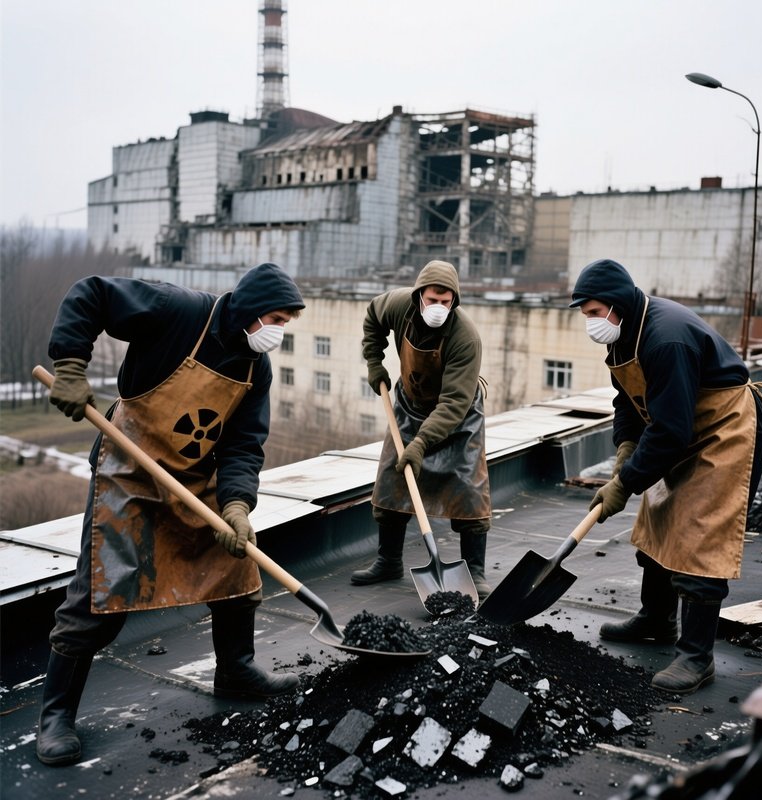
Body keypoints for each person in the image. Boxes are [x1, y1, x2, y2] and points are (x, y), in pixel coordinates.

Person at [36, 263, 305, 766]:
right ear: (248, 310)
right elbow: (91, 294)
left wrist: (237, 505)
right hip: (130, 471)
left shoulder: (255, 367)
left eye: (287, 323)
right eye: (276, 318)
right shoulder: (179, 312)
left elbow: (244, 445)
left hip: (193, 478)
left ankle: (236, 670)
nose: (278, 332)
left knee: (237, 566)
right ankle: (55, 716)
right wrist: (71, 365)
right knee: (101, 592)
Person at [570, 258, 762, 695]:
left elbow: (670, 431)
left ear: (615, 304)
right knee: (659, 515)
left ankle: (697, 658)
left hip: (726, 428)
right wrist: (625, 451)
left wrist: (624, 483)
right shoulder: (624, 336)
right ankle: (656, 619)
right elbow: (627, 401)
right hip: (683, 425)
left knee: (700, 531)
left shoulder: (666, 339)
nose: (589, 322)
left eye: (591, 312)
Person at [351, 260, 492, 598]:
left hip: (457, 417)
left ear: (454, 301)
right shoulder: (399, 305)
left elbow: (454, 403)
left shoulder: (465, 338)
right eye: (432, 300)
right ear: (419, 297)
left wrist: (422, 442)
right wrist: (374, 362)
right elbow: (373, 316)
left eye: (446, 302)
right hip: (409, 404)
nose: (438, 308)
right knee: (391, 477)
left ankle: (474, 570)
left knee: (468, 489)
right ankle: (388, 561)